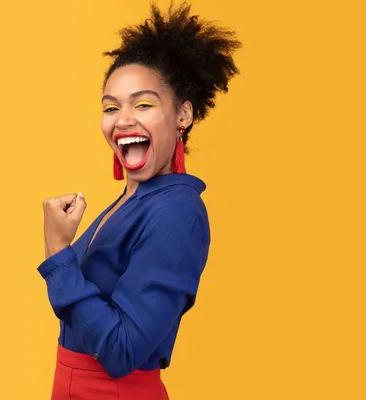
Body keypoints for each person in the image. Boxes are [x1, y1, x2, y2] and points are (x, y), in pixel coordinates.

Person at [38, 2, 241, 399]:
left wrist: (59, 249)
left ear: (183, 114)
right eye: (111, 107)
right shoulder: (128, 203)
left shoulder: (177, 211)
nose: (123, 119)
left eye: (143, 103)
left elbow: (121, 350)